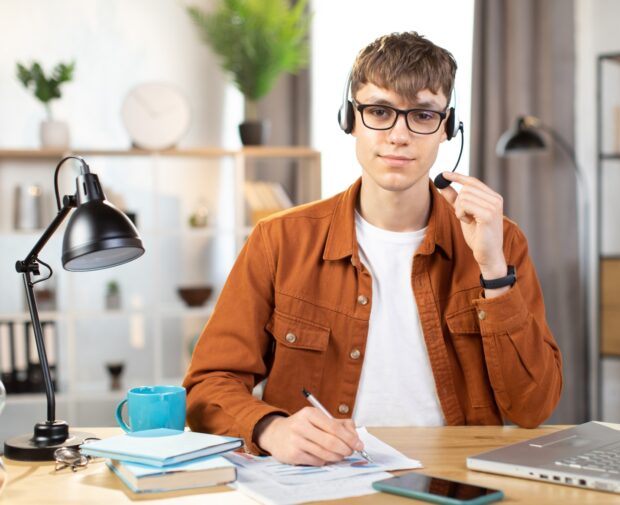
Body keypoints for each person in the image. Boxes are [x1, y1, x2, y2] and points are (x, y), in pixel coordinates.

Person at [183, 31, 562, 466]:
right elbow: (208, 384)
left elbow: (533, 408)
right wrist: (271, 428)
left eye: (422, 115)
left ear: (447, 128)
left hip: (455, 479)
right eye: (379, 111)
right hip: (321, 480)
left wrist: (494, 270)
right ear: (350, 119)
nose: (399, 136)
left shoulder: (501, 239)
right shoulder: (279, 240)